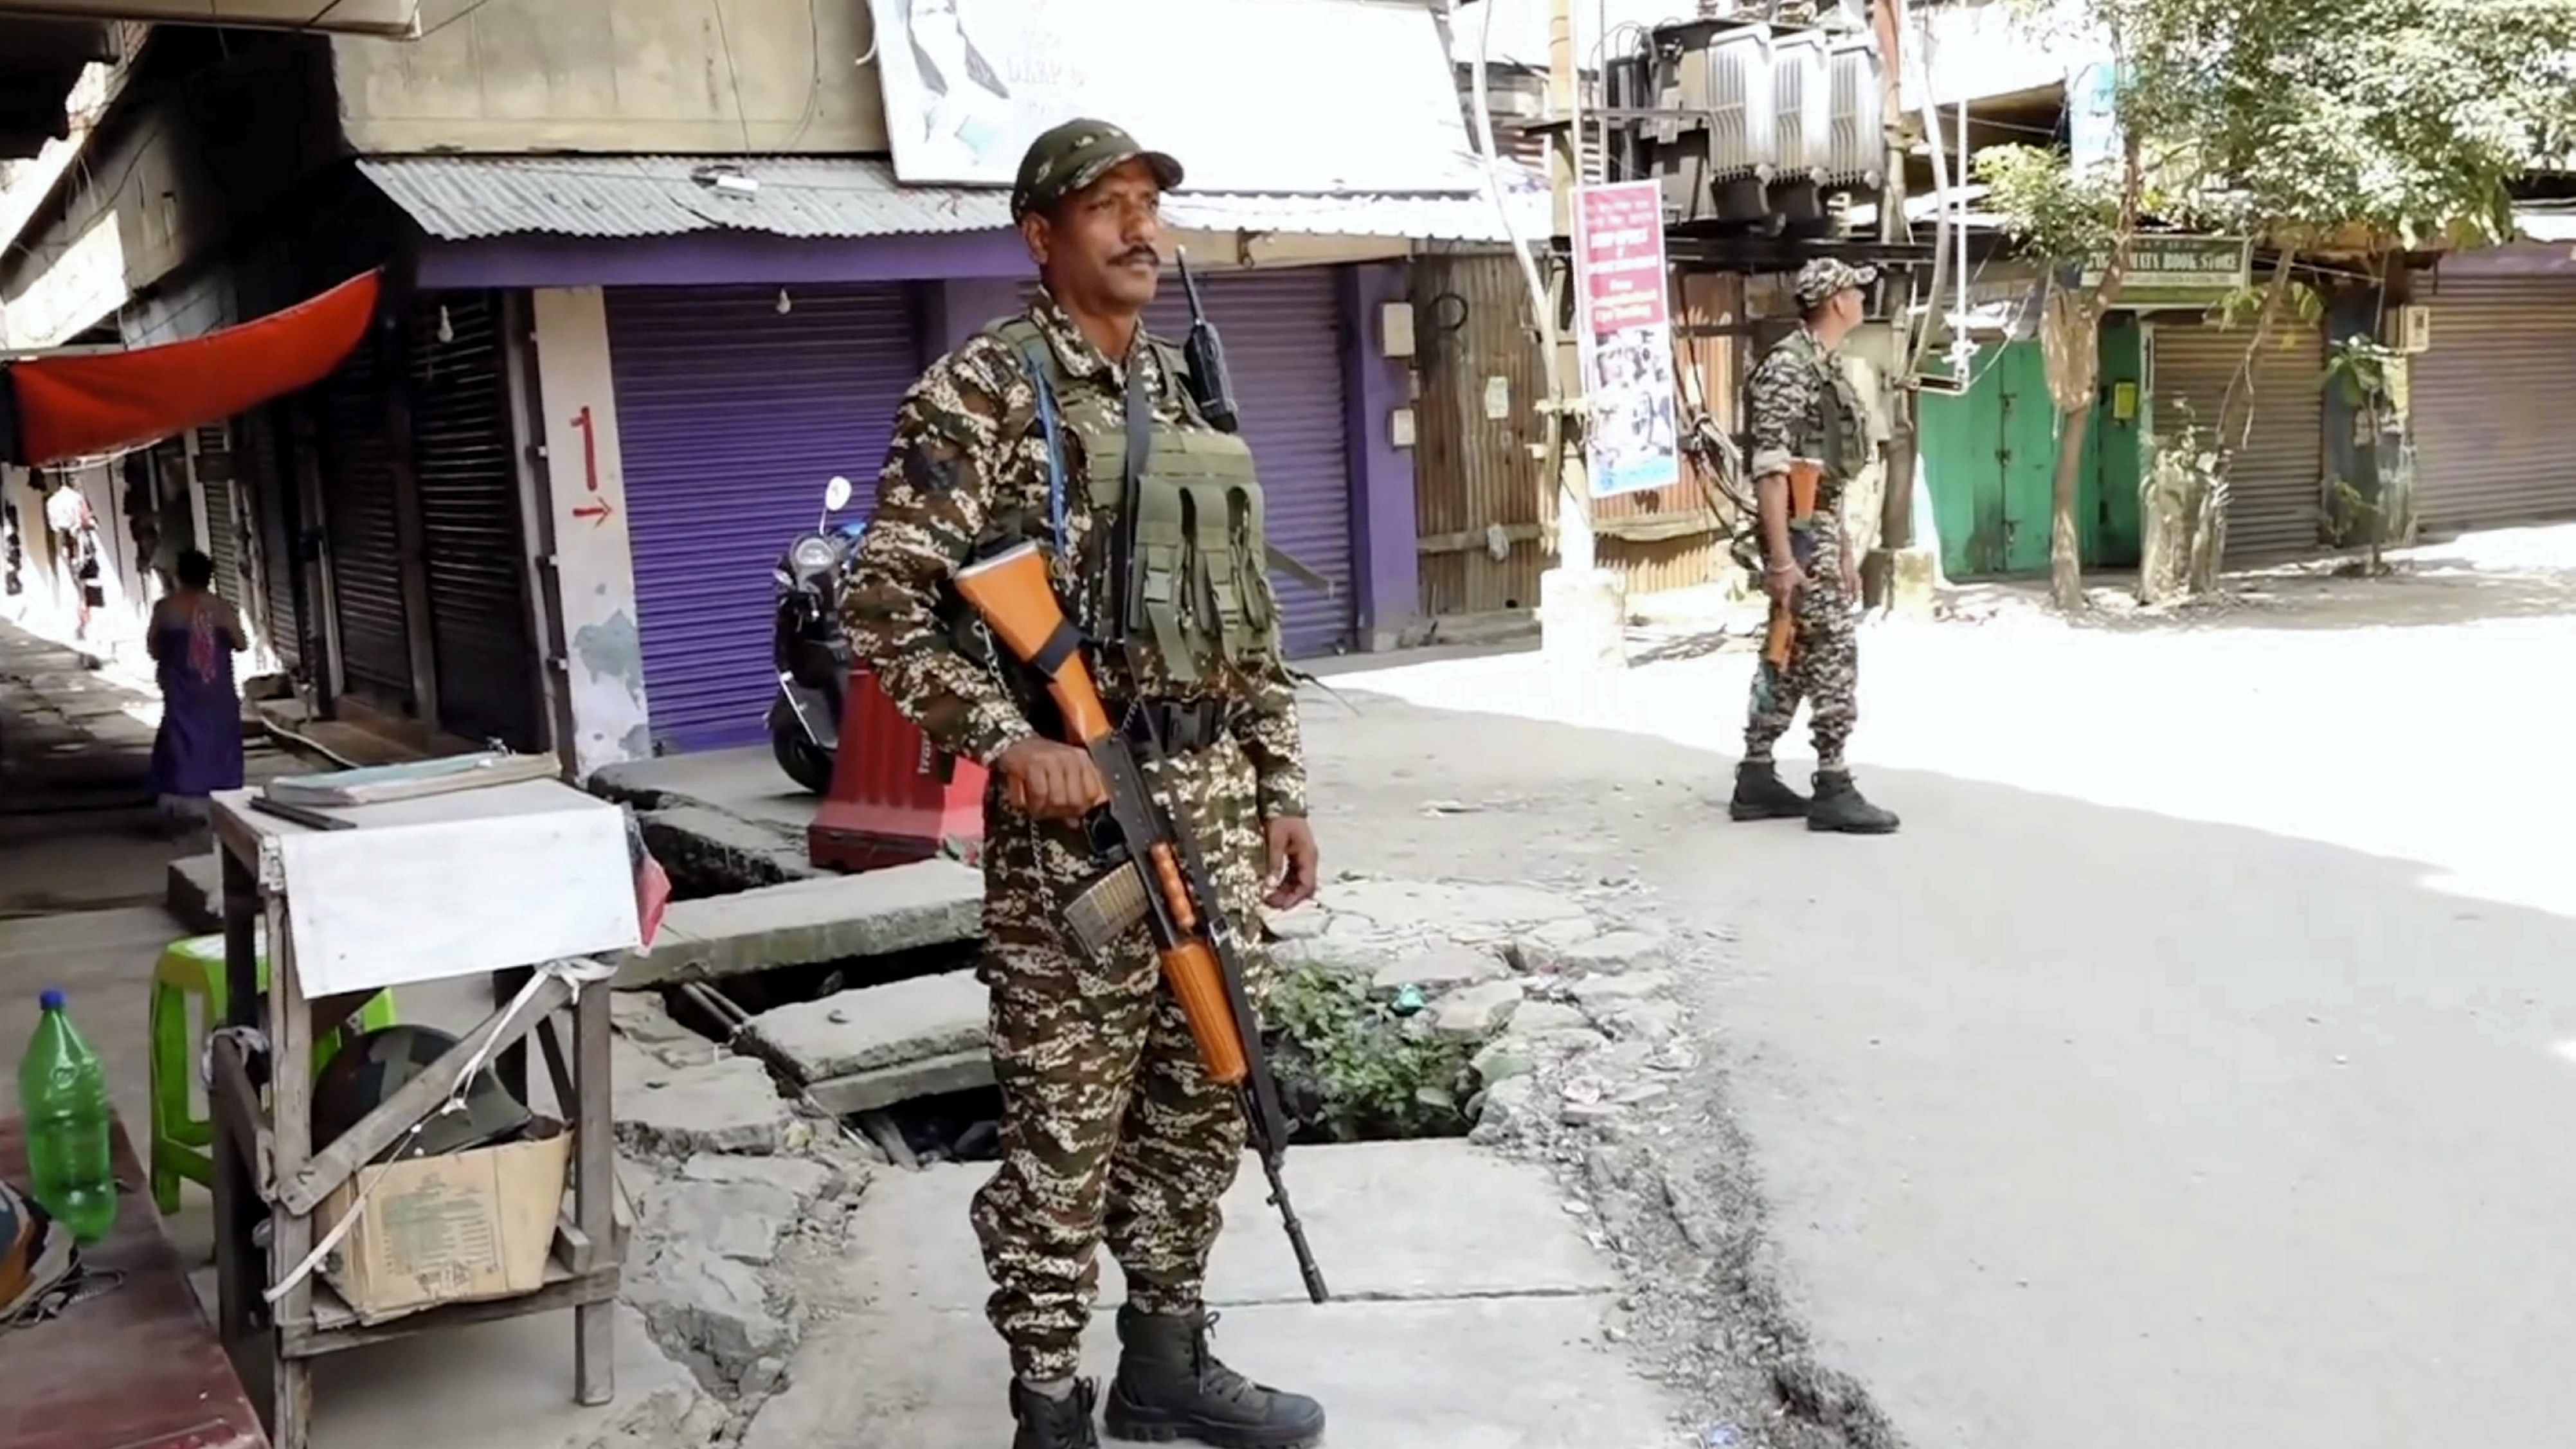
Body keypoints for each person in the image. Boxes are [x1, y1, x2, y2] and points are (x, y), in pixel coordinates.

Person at [839, 119, 1327, 1449]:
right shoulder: (982, 391)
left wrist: (1279, 782)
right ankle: (1047, 1398)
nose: (1135, 229)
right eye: (1100, 207)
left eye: (1145, 205)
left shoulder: (1184, 389)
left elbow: (1241, 618)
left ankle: (1164, 1358)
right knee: (1066, 1121)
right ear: (1039, 236)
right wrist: (1006, 739)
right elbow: (880, 602)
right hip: (1073, 830)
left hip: (1210, 803)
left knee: (1200, 1092)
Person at [1729, 258, 1901, 834]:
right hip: (1799, 531)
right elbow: (1770, 470)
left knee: (1793, 652)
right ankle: (1832, 782)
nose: (1860, 296)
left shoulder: (1823, 366)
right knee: (1831, 649)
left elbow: (1825, 474)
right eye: (1854, 289)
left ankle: (1756, 774)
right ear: (1834, 300)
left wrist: (1845, 550)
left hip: (1817, 524)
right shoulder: (1789, 368)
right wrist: (1782, 560)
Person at [147, 549, 246, 825]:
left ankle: (181, 791)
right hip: (215, 688)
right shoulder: (220, 608)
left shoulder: (166, 608)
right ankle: (222, 790)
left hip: (180, 686)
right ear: (209, 577)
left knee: (180, 736)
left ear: (179, 575)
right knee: (220, 736)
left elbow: (154, 648)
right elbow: (241, 643)